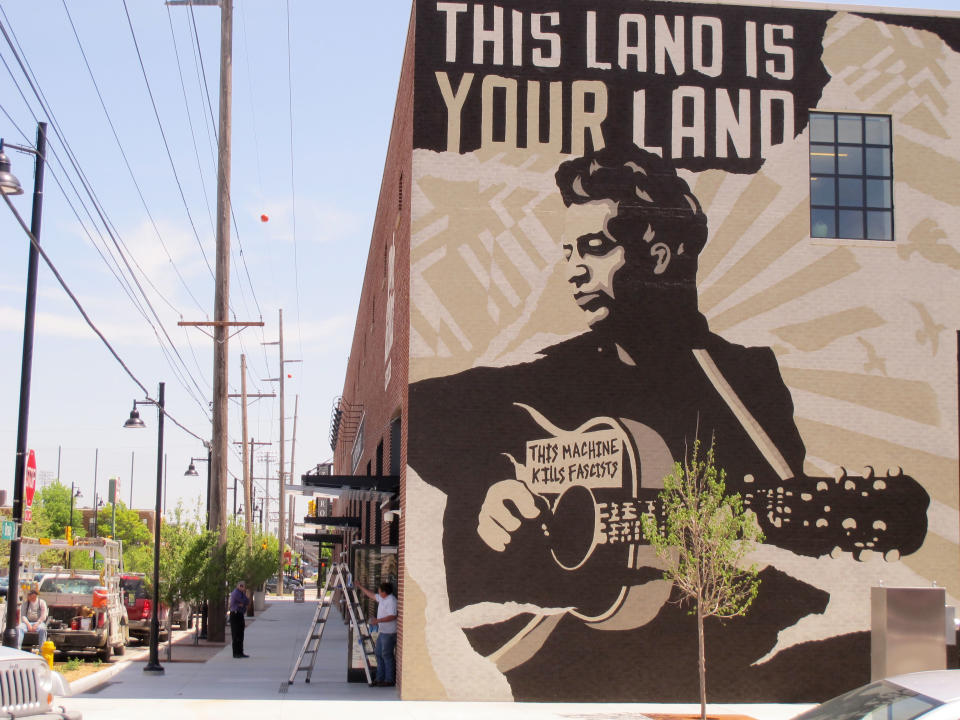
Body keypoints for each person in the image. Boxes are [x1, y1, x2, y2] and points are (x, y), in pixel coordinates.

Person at [406, 146, 928, 701]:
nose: (575, 269)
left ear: (658, 256)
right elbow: (418, 412)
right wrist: (487, 481)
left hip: (708, 660)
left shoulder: (744, 382)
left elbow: (783, 533)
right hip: (564, 656)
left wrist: (779, 526)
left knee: (917, 653)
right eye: (568, 252)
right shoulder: (553, 375)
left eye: (596, 248)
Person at [356, 581, 397, 687]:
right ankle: (380, 678)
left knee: (386, 655)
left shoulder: (391, 601)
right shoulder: (383, 598)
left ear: (384, 592)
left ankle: (389, 680)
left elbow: (392, 616)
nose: (378, 592)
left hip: (389, 633)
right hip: (383, 632)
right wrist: (360, 586)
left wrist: (377, 621)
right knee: (378, 654)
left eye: (379, 590)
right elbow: (371, 595)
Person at [228, 580, 250, 658]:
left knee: (241, 634)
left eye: (243, 586)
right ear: (238, 586)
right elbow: (243, 600)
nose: (242, 587)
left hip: (240, 614)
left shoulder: (242, 593)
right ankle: (236, 653)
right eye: (241, 585)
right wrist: (242, 603)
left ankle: (240, 652)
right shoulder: (236, 593)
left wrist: (243, 604)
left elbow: (247, 601)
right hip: (235, 614)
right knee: (236, 634)